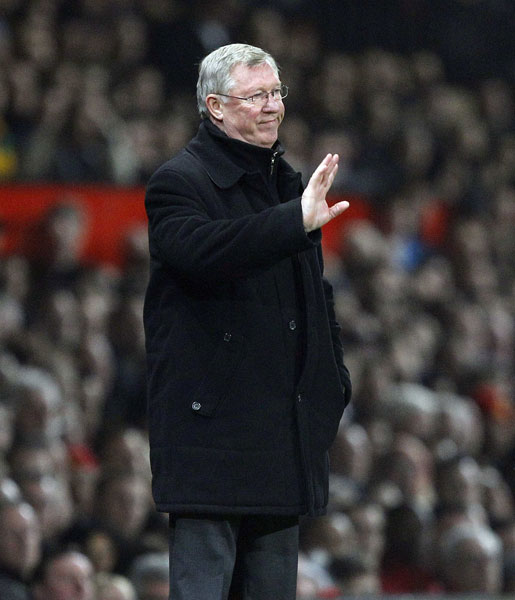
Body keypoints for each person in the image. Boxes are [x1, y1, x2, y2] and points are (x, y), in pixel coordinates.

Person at [143, 42, 352, 599]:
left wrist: (332, 383)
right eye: (255, 95)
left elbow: (315, 298)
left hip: (283, 436)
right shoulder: (178, 182)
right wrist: (293, 222)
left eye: (276, 93)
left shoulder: (289, 185)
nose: (272, 107)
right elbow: (203, 250)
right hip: (212, 439)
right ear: (214, 107)